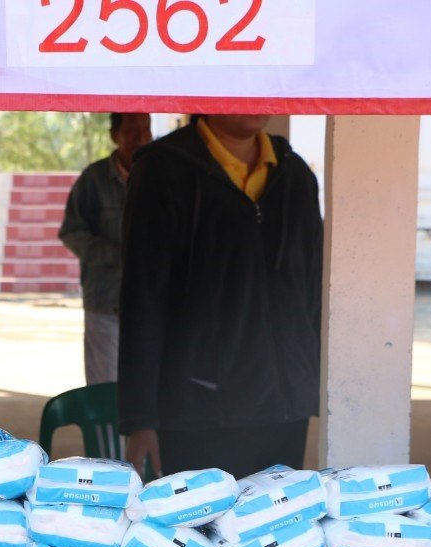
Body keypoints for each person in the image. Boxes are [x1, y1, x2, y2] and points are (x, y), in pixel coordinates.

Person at [119, 115, 323, 478]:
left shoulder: (295, 174)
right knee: (201, 515)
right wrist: (140, 417)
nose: (253, 98)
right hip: (196, 406)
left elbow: (312, 291)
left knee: (276, 514)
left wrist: (308, 382)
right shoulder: (162, 170)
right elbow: (143, 298)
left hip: (283, 406)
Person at [58, 112, 152, 385]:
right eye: (132, 130)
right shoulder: (93, 179)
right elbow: (72, 231)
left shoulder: (160, 177)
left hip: (151, 305)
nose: (141, 137)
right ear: (114, 135)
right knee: (104, 389)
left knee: (147, 389)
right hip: (105, 302)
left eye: (146, 129)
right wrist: (116, 255)